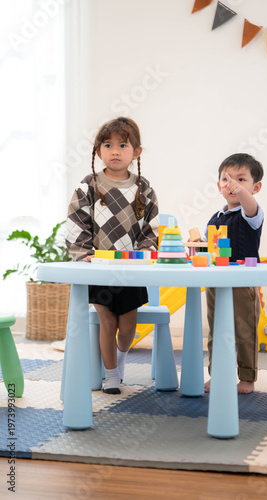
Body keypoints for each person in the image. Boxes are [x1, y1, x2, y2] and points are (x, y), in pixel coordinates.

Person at [66, 117, 159, 394]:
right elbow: (76, 221)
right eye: (108, 145)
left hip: (130, 269)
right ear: (98, 151)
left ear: (137, 152)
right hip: (99, 267)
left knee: (128, 324)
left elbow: (150, 227)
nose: (115, 151)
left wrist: (144, 253)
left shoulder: (144, 189)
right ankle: (112, 376)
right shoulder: (88, 186)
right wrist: (84, 253)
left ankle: (119, 359)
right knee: (106, 320)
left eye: (122, 145)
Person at [204, 153, 264, 395]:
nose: (233, 184)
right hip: (215, 282)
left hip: (242, 283)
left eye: (241, 179)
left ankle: (247, 377)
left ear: (255, 187)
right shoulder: (215, 218)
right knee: (216, 330)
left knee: (245, 330)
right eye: (227, 179)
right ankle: (217, 373)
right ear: (219, 185)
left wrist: (241, 192)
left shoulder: (250, 214)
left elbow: (249, 205)